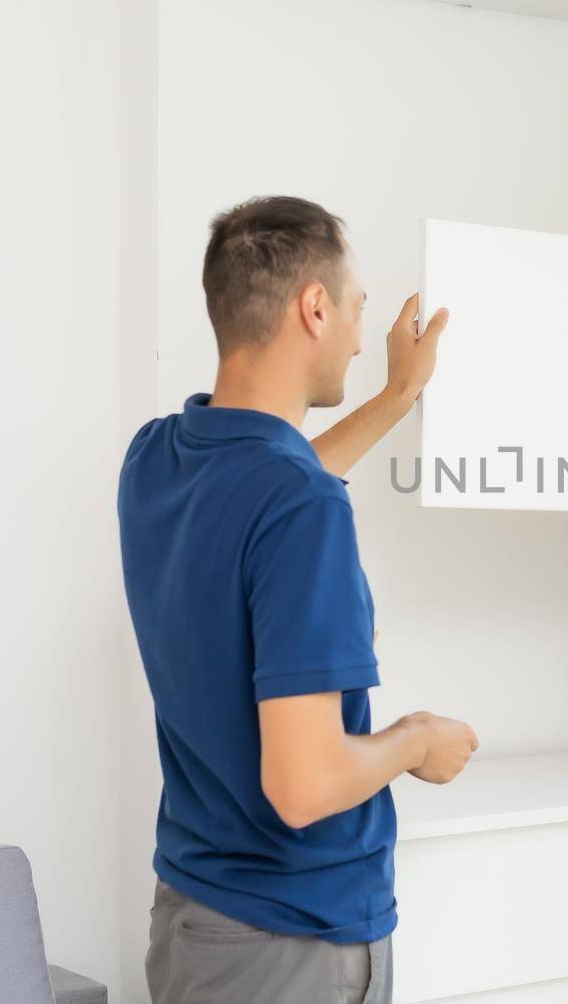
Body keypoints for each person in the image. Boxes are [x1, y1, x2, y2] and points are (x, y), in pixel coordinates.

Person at [118, 196, 479, 1004]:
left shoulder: (157, 457)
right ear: (313, 307)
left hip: (192, 921)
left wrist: (394, 398)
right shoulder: (302, 508)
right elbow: (304, 784)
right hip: (291, 944)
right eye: (356, 307)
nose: (359, 333)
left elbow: (276, 476)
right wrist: (419, 739)